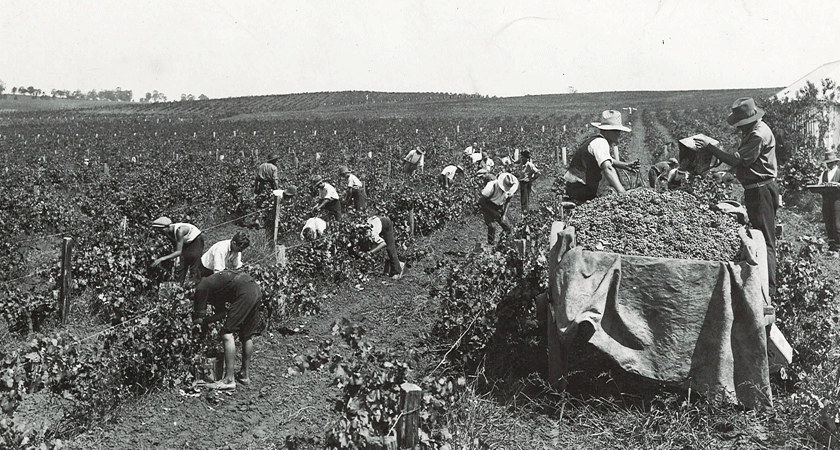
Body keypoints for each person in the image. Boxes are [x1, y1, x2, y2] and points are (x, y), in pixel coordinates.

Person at [695, 97, 778, 297]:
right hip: (756, 189)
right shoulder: (753, 131)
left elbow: (737, 159)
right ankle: (765, 286)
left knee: (765, 241)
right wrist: (730, 173)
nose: (739, 129)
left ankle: (770, 292)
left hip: (761, 191)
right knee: (760, 236)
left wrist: (709, 147)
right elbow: (745, 162)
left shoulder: (758, 134)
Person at [192, 270, 265, 390]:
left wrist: (198, 325)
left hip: (245, 292)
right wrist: (207, 321)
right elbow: (222, 313)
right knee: (246, 335)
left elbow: (198, 320)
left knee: (227, 333)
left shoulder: (201, 288)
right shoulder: (215, 285)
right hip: (254, 289)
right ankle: (244, 375)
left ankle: (229, 380)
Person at [565, 110, 640, 202]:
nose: (619, 134)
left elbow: (607, 160)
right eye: (616, 131)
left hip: (575, 187)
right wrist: (623, 194)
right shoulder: (601, 142)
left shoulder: (597, 140)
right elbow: (607, 167)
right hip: (579, 188)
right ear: (607, 131)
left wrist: (625, 165)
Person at [151, 217, 204, 283]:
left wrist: (161, 259)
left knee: (194, 263)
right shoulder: (168, 232)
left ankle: (195, 286)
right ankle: (179, 287)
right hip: (185, 242)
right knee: (180, 267)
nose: (161, 232)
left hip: (195, 240)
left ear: (168, 226)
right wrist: (177, 259)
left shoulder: (180, 231)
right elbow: (175, 245)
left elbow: (178, 252)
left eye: (161, 230)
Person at [479, 172, 519, 246]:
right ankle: (490, 245)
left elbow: (508, 202)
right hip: (488, 206)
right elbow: (481, 201)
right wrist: (492, 212)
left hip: (499, 207)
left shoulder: (510, 189)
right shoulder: (491, 186)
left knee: (508, 228)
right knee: (492, 226)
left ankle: (502, 245)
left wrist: (504, 215)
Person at [818, 150, 840, 251]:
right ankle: (831, 246)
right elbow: (818, 186)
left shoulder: (839, 172)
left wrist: (837, 185)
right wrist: (822, 186)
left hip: (837, 201)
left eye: (831, 162)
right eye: (828, 163)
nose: (829, 165)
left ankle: (837, 247)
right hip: (826, 201)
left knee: (837, 224)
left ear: (836, 162)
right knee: (828, 222)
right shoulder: (824, 174)